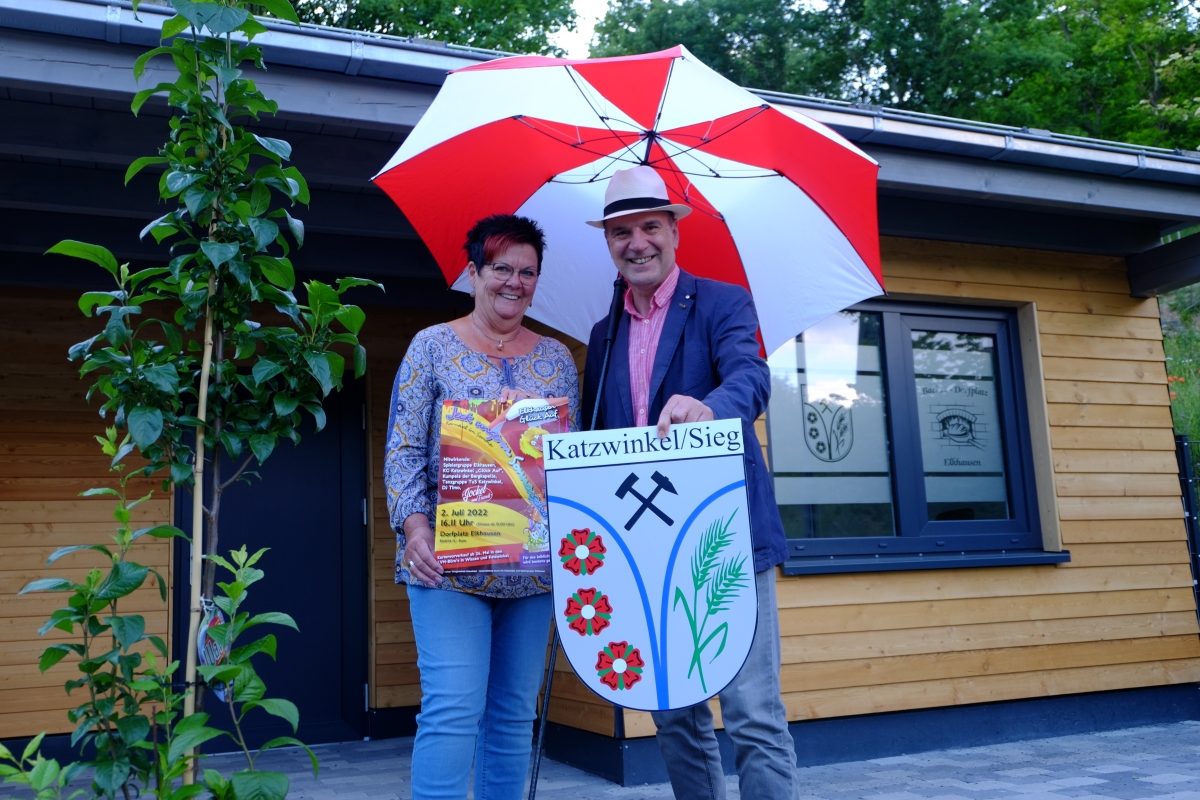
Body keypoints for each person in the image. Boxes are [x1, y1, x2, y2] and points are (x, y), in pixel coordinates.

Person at [581, 166, 800, 799]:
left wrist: (710, 407)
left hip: (726, 535)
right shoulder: (603, 332)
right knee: (674, 713)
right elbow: (600, 439)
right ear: (608, 242)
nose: (636, 242)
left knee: (753, 715)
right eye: (621, 231)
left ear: (674, 230)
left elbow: (751, 380)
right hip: (645, 546)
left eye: (650, 226)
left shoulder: (724, 301)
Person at [385, 214, 580, 800]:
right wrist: (415, 529)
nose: (514, 282)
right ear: (473, 273)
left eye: (528, 272)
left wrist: (537, 422)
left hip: (532, 570)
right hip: (446, 565)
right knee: (451, 709)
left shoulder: (558, 361)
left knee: (514, 718)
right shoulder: (432, 346)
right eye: (501, 269)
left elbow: (570, 463)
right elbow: (402, 448)